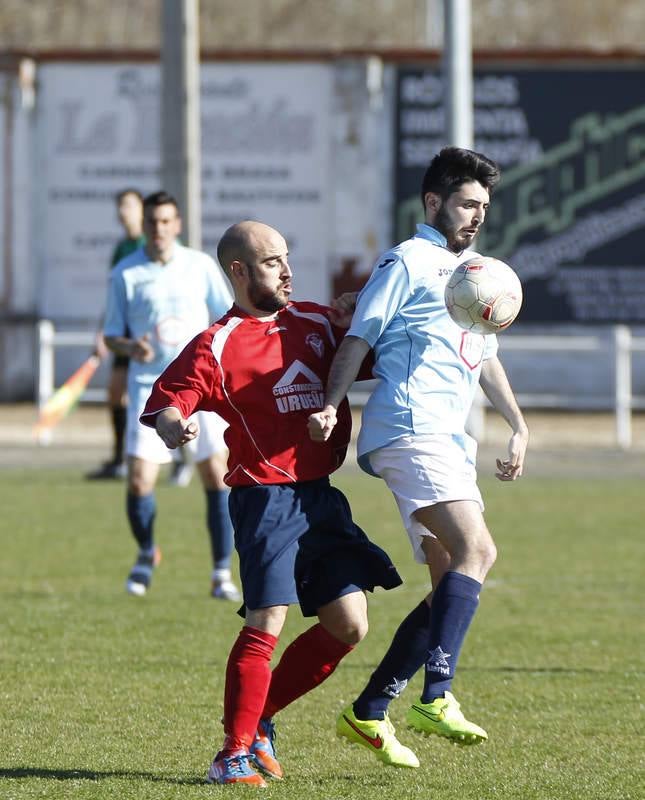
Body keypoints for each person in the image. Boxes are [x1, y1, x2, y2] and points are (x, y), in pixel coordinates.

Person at [140, 220, 405, 786]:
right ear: (239, 271)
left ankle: (260, 720)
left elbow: (377, 355)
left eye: (287, 257)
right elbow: (169, 402)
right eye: (271, 262)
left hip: (321, 498)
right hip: (265, 499)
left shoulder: (314, 322)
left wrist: (364, 314)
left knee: (350, 624)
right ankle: (231, 753)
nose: (287, 270)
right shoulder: (217, 344)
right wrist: (173, 425)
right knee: (268, 620)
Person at [308, 147, 529, 766]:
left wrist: (518, 426)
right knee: (478, 551)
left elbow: (486, 358)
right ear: (433, 202)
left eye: (484, 206)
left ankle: (369, 712)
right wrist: (331, 403)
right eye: (466, 203)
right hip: (409, 427)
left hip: (446, 440)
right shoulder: (409, 260)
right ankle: (437, 694)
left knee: (448, 582)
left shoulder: (473, 274)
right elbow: (360, 335)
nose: (477, 215)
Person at [103, 190, 239, 601]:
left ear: (177, 224)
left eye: (166, 221)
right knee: (141, 480)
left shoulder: (199, 267)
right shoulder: (126, 273)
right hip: (150, 390)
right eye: (151, 222)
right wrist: (132, 349)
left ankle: (220, 573)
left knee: (216, 476)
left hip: (202, 389)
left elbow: (228, 317)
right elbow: (112, 336)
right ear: (142, 226)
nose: (158, 229)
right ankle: (147, 552)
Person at [87, 189, 146, 480]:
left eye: (129, 205)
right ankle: (119, 458)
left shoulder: (150, 245)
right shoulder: (122, 248)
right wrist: (102, 332)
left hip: (147, 333)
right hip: (124, 335)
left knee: (161, 398)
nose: (123, 210)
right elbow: (113, 297)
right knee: (115, 393)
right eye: (120, 205)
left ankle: (182, 459)